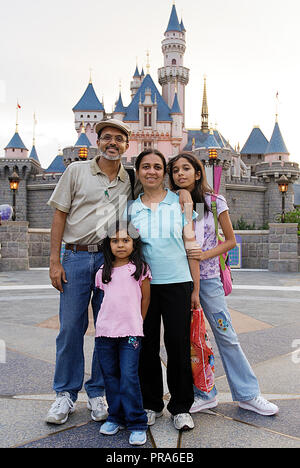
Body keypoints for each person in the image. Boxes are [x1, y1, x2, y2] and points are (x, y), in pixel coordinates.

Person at [167, 152, 279, 416]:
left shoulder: (214, 202)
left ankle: (248, 394)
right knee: (190, 340)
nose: (180, 174)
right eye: (175, 170)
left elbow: (229, 240)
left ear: (197, 173)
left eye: (186, 168)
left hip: (209, 280)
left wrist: (203, 255)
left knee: (226, 336)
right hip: (178, 281)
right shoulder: (169, 203)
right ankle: (204, 394)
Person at [45, 119, 136, 425]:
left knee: (106, 329)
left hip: (111, 262)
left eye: (119, 139)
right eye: (107, 137)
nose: (113, 143)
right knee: (71, 327)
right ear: (98, 141)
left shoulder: (130, 179)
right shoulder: (76, 171)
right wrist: (54, 261)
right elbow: (59, 215)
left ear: (127, 145)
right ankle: (66, 394)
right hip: (76, 257)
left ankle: (98, 391)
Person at [128, 149, 200, 432]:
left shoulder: (182, 203)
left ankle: (181, 407)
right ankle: (151, 403)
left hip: (178, 283)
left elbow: (192, 246)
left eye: (158, 167)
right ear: (138, 171)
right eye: (146, 166)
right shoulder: (130, 208)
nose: (152, 172)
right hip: (144, 286)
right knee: (146, 346)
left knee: (179, 345)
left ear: (164, 173)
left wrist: (195, 289)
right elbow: (124, 251)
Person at [95, 220, 150, 446]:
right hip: (105, 334)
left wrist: (138, 322)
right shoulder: (102, 272)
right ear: (108, 244)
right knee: (111, 377)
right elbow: (103, 303)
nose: (120, 245)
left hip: (130, 334)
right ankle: (115, 417)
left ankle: (137, 422)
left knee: (128, 377)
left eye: (125, 240)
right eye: (115, 241)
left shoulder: (139, 269)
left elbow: (145, 298)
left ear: (134, 244)